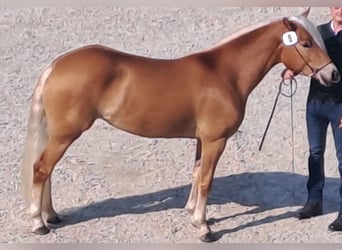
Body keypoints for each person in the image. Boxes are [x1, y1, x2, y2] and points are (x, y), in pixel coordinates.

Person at [283, 7, 342, 231]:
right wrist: (292, 71)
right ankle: (314, 202)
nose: (340, 10)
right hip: (315, 105)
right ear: (329, 7)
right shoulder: (318, 32)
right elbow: (306, 56)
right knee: (315, 153)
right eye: (336, 5)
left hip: (340, 107)